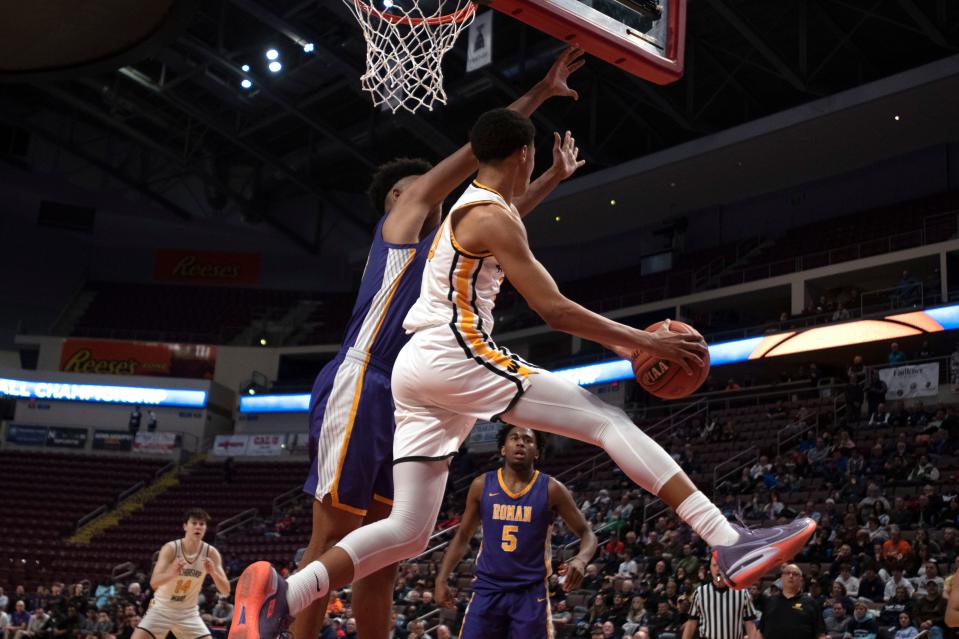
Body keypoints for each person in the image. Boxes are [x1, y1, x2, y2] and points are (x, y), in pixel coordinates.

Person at [231, 108, 817, 639]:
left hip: (417, 372)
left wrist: (553, 178)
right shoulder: (488, 217)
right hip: (450, 355)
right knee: (604, 419)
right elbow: (553, 308)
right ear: (522, 155)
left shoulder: (476, 211)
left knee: (409, 530)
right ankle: (726, 540)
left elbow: (516, 215)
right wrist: (637, 341)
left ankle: (286, 594)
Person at [289, 47, 585, 639]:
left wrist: (551, 176)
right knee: (330, 537)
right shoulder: (398, 228)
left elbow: (507, 211)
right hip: (362, 379)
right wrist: (539, 94)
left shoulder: (444, 250)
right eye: (412, 187)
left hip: (405, 396)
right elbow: (483, 146)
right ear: (395, 201)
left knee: (383, 561)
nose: (426, 190)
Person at [434, 424, 597, 638]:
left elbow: (588, 534)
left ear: (537, 452)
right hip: (488, 590)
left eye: (528, 440)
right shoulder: (482, 485)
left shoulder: (551, 489)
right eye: (514, 437)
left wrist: (581, 560)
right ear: (503, 448)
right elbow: (463, 536)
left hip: (529, 594)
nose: (521, 442)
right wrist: (441, 579)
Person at [136, 509, 230, 639]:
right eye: (194, 523)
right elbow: (154, 582)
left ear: (205, 528)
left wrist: (213, 573)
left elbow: (225, 590)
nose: (198, 526)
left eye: (202, 524)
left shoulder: (211, 553)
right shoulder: (171, 549)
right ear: (185, 526)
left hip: (188, 613)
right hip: (162, 610)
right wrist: (172, 573)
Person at [682, 555, 759, 639]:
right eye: (714, 565)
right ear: (710, 569)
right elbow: (691, 623)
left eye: (721, 565)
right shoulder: (700, 592)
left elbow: (750, 625)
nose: (718, 569)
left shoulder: (742, 593)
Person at [758, 565, 826, 639]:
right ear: (781, 578)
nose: (791, 576)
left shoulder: (811, 603)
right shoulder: (770, 602)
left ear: (801, 579)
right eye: (787, 573)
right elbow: (760, 632)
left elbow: (820, 634)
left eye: (795, 574)